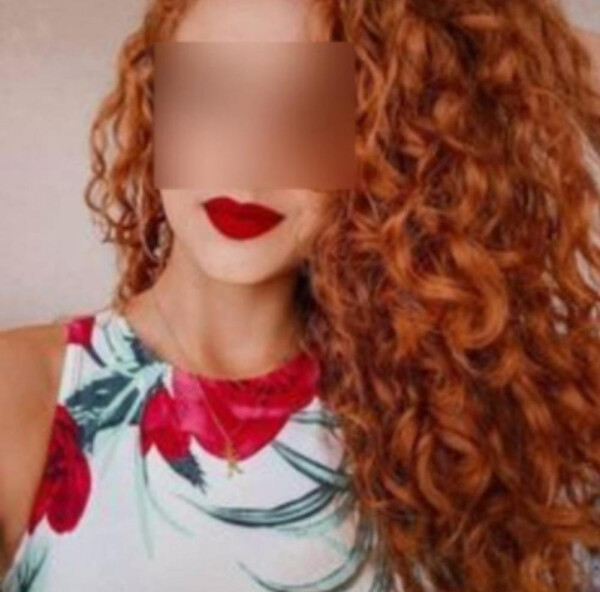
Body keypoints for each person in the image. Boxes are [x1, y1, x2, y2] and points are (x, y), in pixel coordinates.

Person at [2, 0, 600, 591]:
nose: (251, 166)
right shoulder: (22, 397)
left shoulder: (447, 418)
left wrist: (476, 46)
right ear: (156, 107)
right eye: (213, 95)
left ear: (378, 142)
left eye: (308, 112)